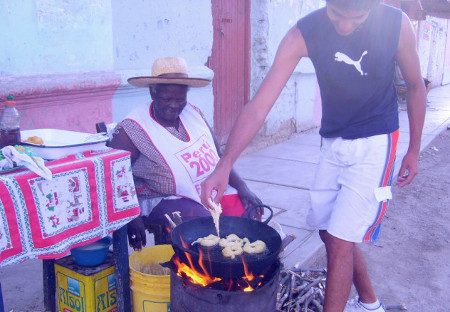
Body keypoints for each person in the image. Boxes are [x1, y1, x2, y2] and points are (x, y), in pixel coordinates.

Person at [201, 1, 426, 312]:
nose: (344, 27)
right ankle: (371, 305)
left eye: (357, 18)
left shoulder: (397, 24)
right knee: (328, 231)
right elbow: (260, 105)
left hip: (376, 142)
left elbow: (416, 85)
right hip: (333, 140)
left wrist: (413, 150)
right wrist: (224, 165)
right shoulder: (303, 33)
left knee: (340, 241)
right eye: (337, 15)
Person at [109, 57, 262, 250]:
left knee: (247, 214)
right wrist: (132, 214)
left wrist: (242, 186)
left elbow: (220, 156)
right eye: (166, 99)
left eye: (180, 99)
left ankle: (237, 270)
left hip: (207, 189)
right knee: (203, 229)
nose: (174, 105)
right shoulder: (132, 128)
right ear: (152, 92)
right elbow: (114, 175)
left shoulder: (193, 114)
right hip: (162, 198)